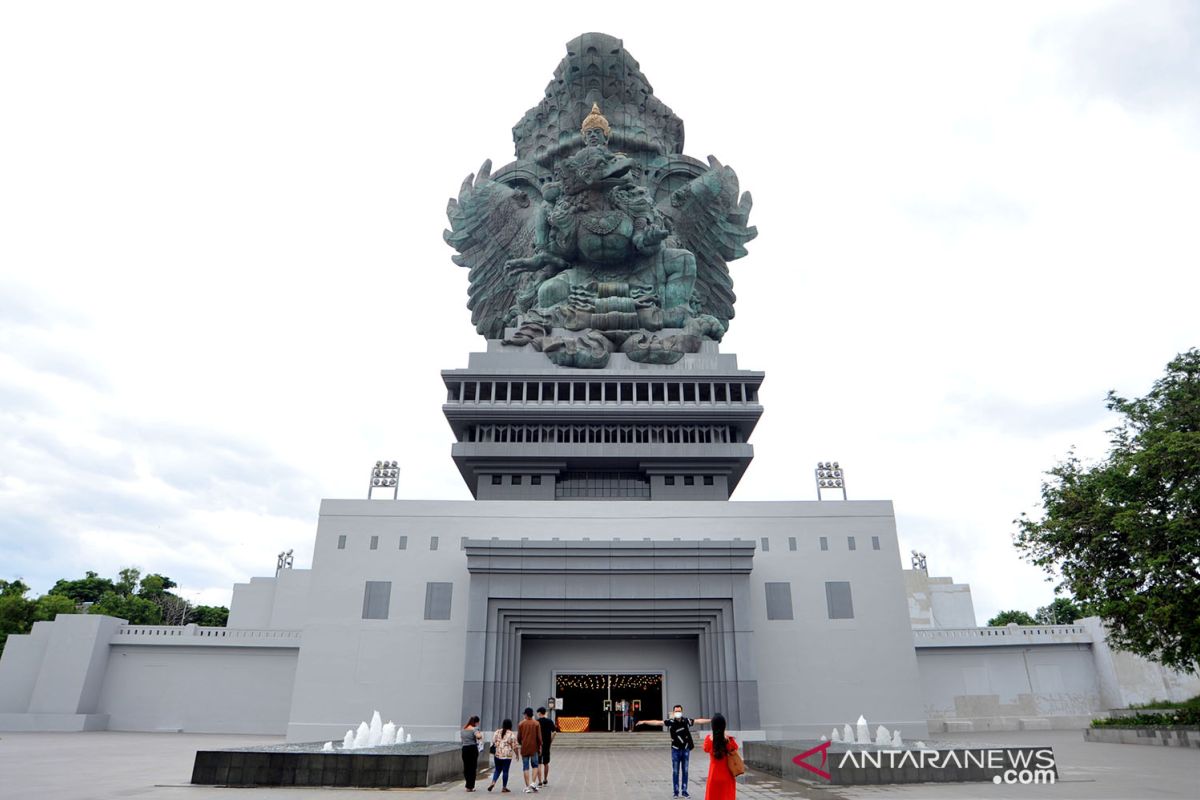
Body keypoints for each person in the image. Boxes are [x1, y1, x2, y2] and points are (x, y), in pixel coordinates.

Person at [637, 704, 712, 798]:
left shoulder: (686, 721)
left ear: (682, 711)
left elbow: (698, 721)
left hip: (685, 749)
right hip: (675, 750)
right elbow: (657, 722)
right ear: (673, 712)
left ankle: (684, 791)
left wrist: (711, 720)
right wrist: (644, 722)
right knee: (675, 771)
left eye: (679, 711)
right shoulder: (670, 722)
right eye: (676, 711)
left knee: (685, 771)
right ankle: (676, 792)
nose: (678, 713)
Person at [702, 713, 738, 800]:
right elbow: (735, 748)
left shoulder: (708, 739)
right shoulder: (729, 740)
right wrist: (725, 734)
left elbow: (705, 749)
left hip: (713, 775)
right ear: (724, 725)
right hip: (727, 776)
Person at [488, 719, 518, 793]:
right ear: (510, 725)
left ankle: (493, 782)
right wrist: (517, 755)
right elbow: (515, 746)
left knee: (497, 770)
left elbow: (493, 741)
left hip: (497, 754)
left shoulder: (497, 732)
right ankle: (504, 787)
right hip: (507, 756)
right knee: (505, 771)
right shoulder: (511, 734)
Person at [517, 707, 543, 793]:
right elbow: (539, 738)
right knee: (535, 765)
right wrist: (540, 746)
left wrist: (522, 743)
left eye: (524, 714)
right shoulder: (536, 723)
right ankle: (533, 782)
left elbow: (519, 737)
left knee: (525, 767)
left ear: (526, 714)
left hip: (524, 748)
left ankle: (527, 787)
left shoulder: (521, 724)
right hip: (534, 748)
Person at [535, 707, 559, 787]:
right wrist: (550, 741)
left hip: (538, 744)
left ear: (539, 713)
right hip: (547, 744)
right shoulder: (549, 721)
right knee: (546, 763)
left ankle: (539, 781)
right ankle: (545, 779)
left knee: (538, 763)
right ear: (545, 713)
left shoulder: (537, 722)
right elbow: (554, 732)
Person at [461, 715, 483, 791]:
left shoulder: (463, 729)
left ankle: (467, 784)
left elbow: (462, 739)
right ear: (476, 722)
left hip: (464, 749)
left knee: (466, 767)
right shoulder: (474, 729)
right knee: (472, 768)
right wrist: (479, 733)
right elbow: (479, 736)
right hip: (472, 749)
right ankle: (470, 787)